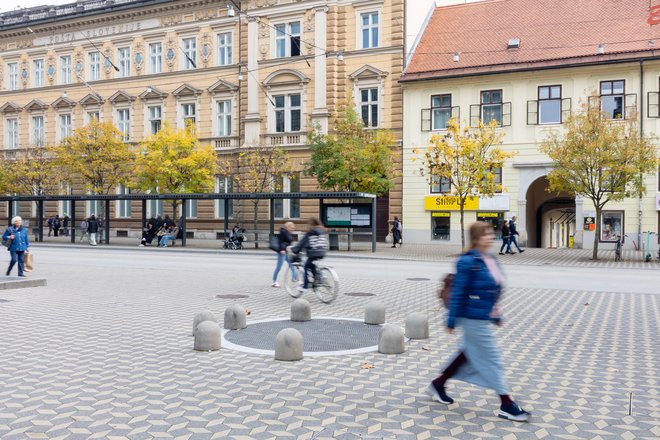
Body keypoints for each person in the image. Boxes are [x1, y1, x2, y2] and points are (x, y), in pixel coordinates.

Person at [427, 222, 530, 422]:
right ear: (476, 238)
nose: (490, 237)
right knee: (492, 359)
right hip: (471, 317)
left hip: (482, 316)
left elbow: (493, 289)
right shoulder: (468, 261)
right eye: (485, 234)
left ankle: (438, 384)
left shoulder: (489, 258)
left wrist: (496, 314)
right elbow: (459, 292)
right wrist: (451, 319)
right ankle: (506, 404)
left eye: (491, 233)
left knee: (466, 354)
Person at [292, 218, 328, 294]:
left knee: (306, 266)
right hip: (322, 252)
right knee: (312, 265)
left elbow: (301, 243)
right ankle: (318, 278)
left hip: (314, 253)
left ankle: (305, 286)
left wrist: (294, 250)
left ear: (311, 225)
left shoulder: (310, 232)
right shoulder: (322, 231)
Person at [272, 222, 297, 287]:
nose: (293, 229)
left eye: (293, 228)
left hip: (288, 252)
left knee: (292, 265)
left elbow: (289, 242)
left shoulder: (289, 233)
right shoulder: (283, 232)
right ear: (288, 227)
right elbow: (280, 242)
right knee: (278, 267)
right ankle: (274, 282)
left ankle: (294, 278)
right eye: (292, 227)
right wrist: (281, 250)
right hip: (282, 253)